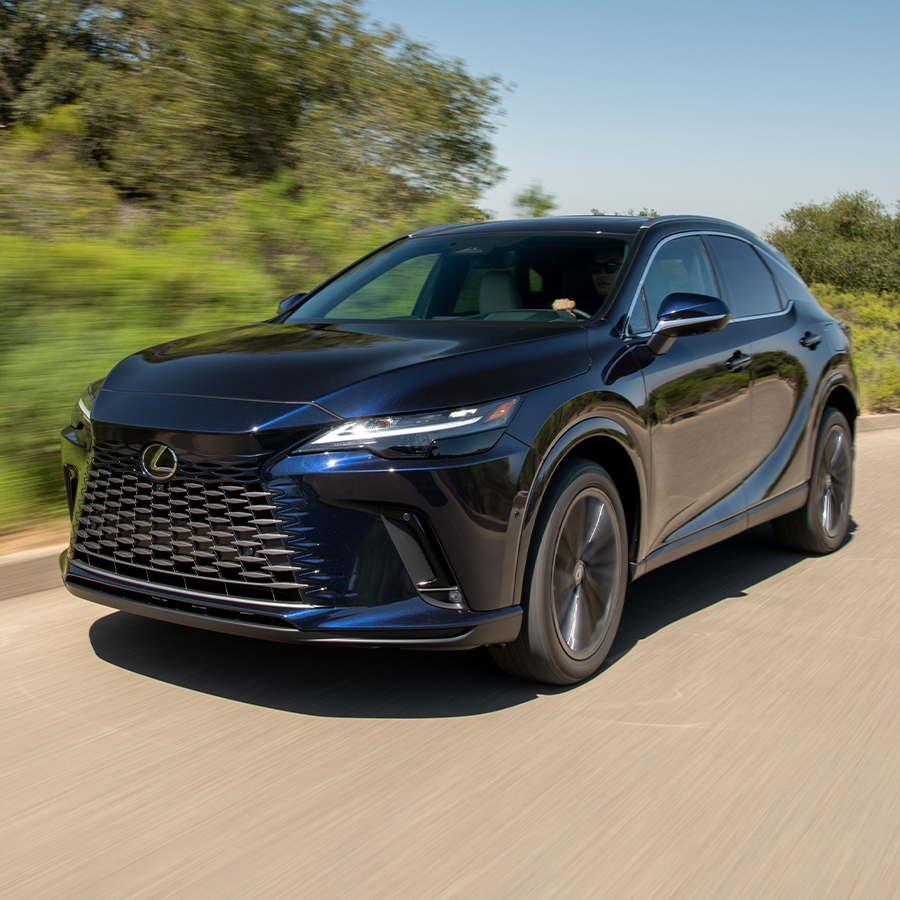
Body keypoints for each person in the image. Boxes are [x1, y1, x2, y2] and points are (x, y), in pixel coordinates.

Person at [552, 244, 624, 316]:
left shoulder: (632, 312)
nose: (601, 274)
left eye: (610, 267)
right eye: (595, 267)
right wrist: (564, 315)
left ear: (627, 269)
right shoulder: (584, 311)